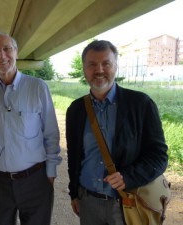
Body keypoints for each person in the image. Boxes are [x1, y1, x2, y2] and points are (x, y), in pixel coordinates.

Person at [66, 40, 168, 225]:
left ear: (116, 66)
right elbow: (74, 157)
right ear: (84, 69)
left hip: (127, 203)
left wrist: (128, 176)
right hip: (88, 202)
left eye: (106, 63)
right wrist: (74, 193)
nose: (99, 70)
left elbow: (159, 156)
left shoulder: (141, 104)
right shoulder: (76, 109)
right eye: (92, 64)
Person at [0, 31, 62, 225]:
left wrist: (50, 173)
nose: (1, 56)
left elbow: (51, 132)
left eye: (6, 49)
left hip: (35, 179)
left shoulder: (37, 87)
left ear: (16, 52)